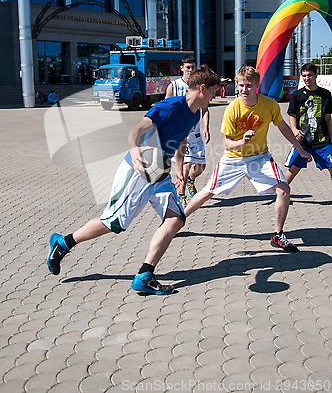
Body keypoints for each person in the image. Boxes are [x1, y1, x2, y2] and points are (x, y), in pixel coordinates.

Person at [47, 66, 221, 295]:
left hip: (160, 173)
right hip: (139, 170)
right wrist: (135, 150)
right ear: (202, 89)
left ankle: (145, 275)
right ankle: (64, 243)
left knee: (176, 219)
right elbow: (136, 129)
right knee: (114, 222)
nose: (215, 96)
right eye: (214, 91)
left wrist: (180, 170)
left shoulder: (195, 113)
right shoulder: (169, 107)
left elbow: (181, 142)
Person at [184, 66, 312, 253]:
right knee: (207, 192)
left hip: (259, 158)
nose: (244, 89)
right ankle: (178, 219)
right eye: (241, 85)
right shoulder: (232, 109)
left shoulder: (269, 105)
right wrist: (241, 142)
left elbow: (283, 127)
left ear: (257, 85)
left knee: (284, 189)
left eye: (249, 86)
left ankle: (277, 235)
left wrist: (300, 150)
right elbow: (227, 145)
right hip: (233, 159)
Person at [165, 56, 210, 206]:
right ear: (182, 68)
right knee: (184, 164)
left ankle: (191, 181)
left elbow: (205, 109)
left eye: (193, 67)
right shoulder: (174, 86)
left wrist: (206, 128)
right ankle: (181, 195)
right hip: (181, 134)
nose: (191, 70)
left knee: (200, 167)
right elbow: (167, 107)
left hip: (195, 133)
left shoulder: (199, 86)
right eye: (188, 67)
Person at [284, 62, 332, 183]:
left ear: (316, 75)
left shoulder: (325, 95)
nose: (307, 78)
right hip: (303, 142)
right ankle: (280, 194)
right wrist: (294, 130)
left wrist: (331, 137)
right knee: (293, 169)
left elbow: (328, 118)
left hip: (322, 141)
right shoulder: (296, 95)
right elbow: (292, 115)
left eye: (310, 75)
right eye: (304, 75)